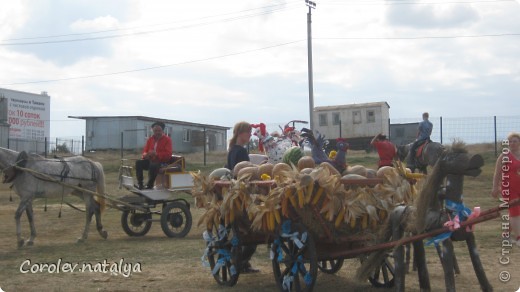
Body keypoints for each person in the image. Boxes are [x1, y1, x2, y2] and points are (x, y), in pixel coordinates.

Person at [226, 121, 259, 273]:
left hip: (236, 190)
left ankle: (243, 262)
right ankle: (241, 261)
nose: (250, 135)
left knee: (250, 233)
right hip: (243, 192)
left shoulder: (233, 149)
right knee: (254, 231)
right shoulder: (240, 152)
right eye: (248, 132)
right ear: (241, 133)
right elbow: (242, 173)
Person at [491, 132, 520, 246]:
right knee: (514, 212)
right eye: (510, 141)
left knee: (517, 212)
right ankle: (518, 238)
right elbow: (497, 173)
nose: (512, 144)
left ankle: (506, 236)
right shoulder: (504, 156)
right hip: (508, 187)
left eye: (515, 141)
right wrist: (495, 187)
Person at [135, 121, 173, 190]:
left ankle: (150, 185)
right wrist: (146, 155)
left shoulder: (167, 140)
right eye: (155, 131)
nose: (157, 132)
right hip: (151, 160)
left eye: (159, 130)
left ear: (162, 131)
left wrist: (157, 154)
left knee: (153, 165)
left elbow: (168, 154)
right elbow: (144, 151)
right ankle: (140, 184)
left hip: (163, 163)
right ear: (153, 131)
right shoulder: (150, 139)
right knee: (138, 162)